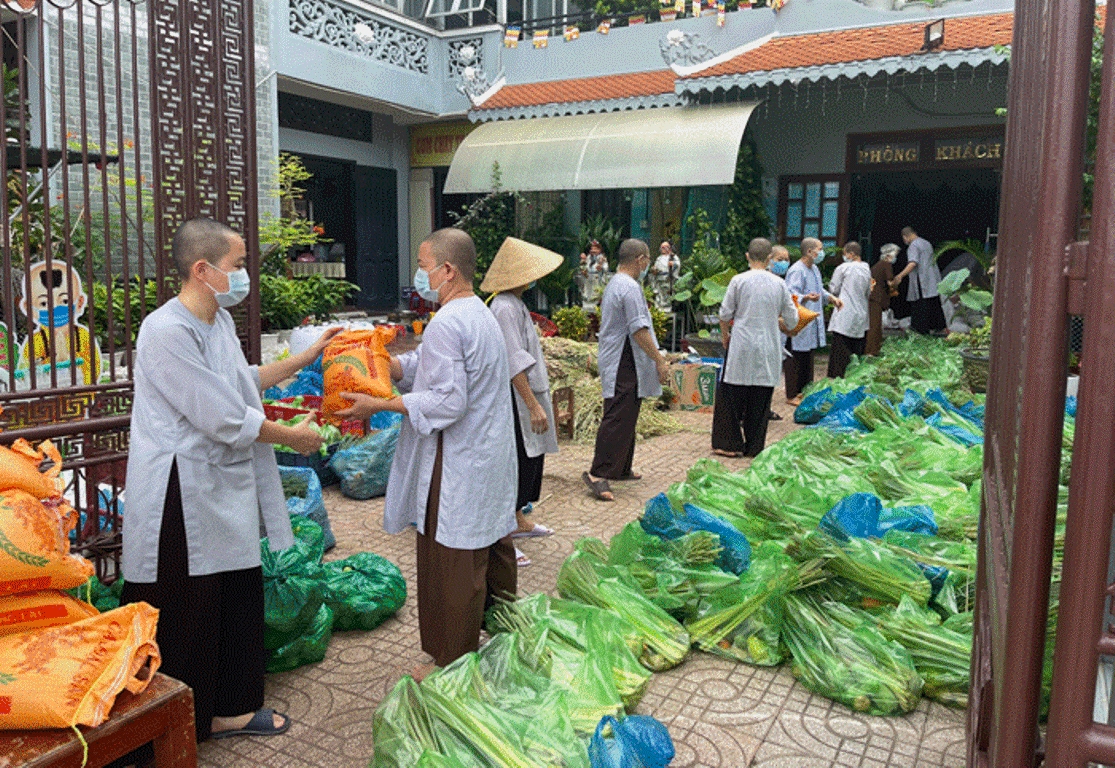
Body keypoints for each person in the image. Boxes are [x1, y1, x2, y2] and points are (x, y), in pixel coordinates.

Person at [121, 219, 337, 742]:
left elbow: (242, 382)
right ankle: (179, 722)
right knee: (188, 606)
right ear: (202, 270)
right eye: (237, 266)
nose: (244, 277)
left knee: (236, 593)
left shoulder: (216, 323)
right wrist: (290, 438)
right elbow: (218, 414)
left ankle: (232, 708)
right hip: (181, 490)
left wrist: (307, 356)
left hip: (220, 482)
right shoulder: (166, 330)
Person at [336, 228, 517, 680]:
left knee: (452, 561)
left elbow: (447, 401)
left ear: (447, 270)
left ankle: (450, 660)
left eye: (423, 264)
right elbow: (436, 368)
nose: (419, 274)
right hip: (488, 455)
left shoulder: (447, 322)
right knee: (491, 546)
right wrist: (393, 366)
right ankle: (506, 635)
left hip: (458, 458)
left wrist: (378, 403)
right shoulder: (478, 313)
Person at [481, 237, 561, 567]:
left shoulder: (515, 304)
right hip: (514, 400)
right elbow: (512, 360)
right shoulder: (502, 307)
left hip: (527, 393)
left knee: (530, 462)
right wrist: (532, 404)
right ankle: (502, 537)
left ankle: (518, 521)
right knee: (513, 465)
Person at [582, 239, 670, 501]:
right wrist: (659, 360)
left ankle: (620, 467)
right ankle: (599, 473)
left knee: (628, 410)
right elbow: (639, 330)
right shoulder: (628, 287)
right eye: (648, 260)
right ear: (640, 260)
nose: (649, 265)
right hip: (623, 357)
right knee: (618, 413)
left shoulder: (617, 283)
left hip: (623, 356)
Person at [712, 238, 800, 458]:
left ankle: (730, 444)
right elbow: (792, 319)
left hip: (741, 344)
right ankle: (754, 447)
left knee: (732, 396)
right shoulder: (779, 284)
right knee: (760, 399)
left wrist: (725, 336)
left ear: (747, 257)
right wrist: (779, 322)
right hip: (768, 345)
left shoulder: (738, 280)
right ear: (770, 258)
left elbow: (724, 314)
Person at [17, 258, 100, 387]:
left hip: (79, 400)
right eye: (44, 303)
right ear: (30, 309)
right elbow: (26, 373)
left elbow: (94, 367)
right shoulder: (36, 341)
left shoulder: (82, 336)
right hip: (48, 402)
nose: (55, 308)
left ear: (79, 302)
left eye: (65, 301)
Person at [783, 237, 841, 405]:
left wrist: (831, 298)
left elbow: (819, 289)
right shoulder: (796, 270)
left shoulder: (814, 268)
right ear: (809, 252)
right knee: (795, 357)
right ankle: (791, 394)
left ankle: (805, 390)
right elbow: (789, 295)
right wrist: (805, 297)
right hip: (799, 320)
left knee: (808, 357)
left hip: (812, 318)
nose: (822, 253)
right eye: (820, 249)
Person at [826, 241, 872, 378]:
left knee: (840, 351)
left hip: (844, 312)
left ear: (851, 254)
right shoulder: (866, 268)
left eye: (844, 254)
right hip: (861, 314)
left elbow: (833, 289)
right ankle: (853, 377)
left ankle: (838, 377)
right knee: (856, 350)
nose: (843, 257)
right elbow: (868, 292)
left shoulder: (844, 268)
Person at [892, 226, 945, 335]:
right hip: (932, 280)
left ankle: (920, 332)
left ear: (905, 236)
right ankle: (938, 328)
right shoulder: (926, 243)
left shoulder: (913, 245)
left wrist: (900, 276)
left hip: (922, 281)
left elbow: (913, 263)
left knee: (920, 306)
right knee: (933, 304)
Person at [867, 243, 898, 356]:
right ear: (890, 255)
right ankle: (872, 351)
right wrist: (896, 283)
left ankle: (874, 349)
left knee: (874, 325)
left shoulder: (879, 265)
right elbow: (890, 282)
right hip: (876, 298)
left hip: (873, 297)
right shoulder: (886, 264)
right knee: (874, 326)